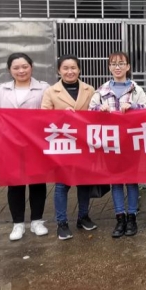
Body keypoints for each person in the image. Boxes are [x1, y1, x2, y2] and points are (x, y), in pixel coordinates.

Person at [0, 53, 50, 241]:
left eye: (25, 66)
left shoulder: (43, 88)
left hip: (36, 143)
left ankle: (37, 221)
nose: (21, 71)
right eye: (16, 68)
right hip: (10, 145)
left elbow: (52, 112)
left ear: (31, 67)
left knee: (37, 182)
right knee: (15, 183)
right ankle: (18, 224)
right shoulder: (3, 90)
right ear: (10, 70)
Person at [89, 51, 146, 238]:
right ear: (109, 67)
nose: (117, 67)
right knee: (115, 181)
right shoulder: (101, 90)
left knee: (131, 180)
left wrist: (134, 107)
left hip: (131, 143)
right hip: (110, 143)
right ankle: (120, 218)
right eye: (114, 64)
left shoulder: (136, 90)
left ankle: (132, 217)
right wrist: (99, 109)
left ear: (128, 67)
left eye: (121, 63)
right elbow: (89, 112)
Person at [41, 55, 98, 240]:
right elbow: (43, 118)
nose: (70, 71)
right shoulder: (51, 92)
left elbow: (96, 114)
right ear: (59, 70)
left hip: (84, 144)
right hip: (63, 144)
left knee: (84, 183)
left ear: (79, 69)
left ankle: (83, 216)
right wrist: (61, 115)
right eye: (65, 68)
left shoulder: (89, 89)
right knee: (61, 185)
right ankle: (62, 222)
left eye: (73, 68)